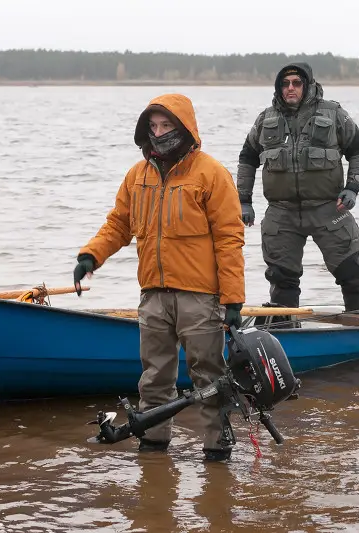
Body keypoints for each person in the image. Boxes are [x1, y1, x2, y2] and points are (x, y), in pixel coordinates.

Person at [73, 93, 246, 461]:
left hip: (200, 298)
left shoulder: (212, 173)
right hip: (152, 295)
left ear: (184, 128)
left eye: (166, 125)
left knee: (210, 380)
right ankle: (153, 450)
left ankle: (217, 453)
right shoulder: (137, 176)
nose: (159, 132)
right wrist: (91, 256)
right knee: (153, 379)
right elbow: (118, 225)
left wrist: (232, 300)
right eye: (152, 126)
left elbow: (230, 239)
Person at [236, 62, 359, 316]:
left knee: (351, 269)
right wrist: (244, 201)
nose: (290, 88)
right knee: (281, 276)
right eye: (285, 84)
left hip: (330, 209)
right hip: (281, 213)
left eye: (296, 83)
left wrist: (353, 187)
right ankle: (285, 329)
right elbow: (247, 158)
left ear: (307, 85)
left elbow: (358, 150)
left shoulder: (334, 114)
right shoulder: (266, 119)